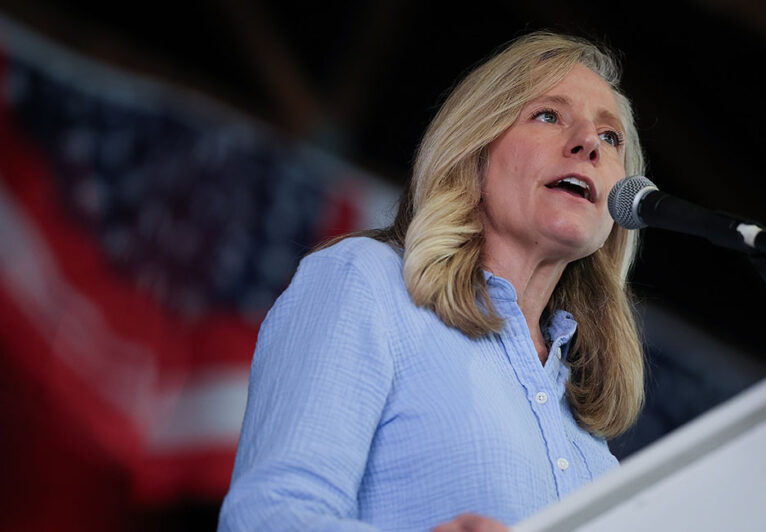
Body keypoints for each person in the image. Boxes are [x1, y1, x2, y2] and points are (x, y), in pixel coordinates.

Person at [218, 31, 647, 532]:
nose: (588, 145)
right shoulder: (369, 282)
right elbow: (266, 517)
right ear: (474, 147)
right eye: (548, 115)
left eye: (610, 137)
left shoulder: (586, 431)